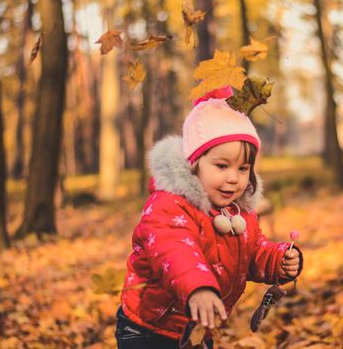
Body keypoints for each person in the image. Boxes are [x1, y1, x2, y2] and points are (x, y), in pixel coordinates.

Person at [115, 87, 303, 349]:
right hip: (149, 328)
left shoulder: (241, 213)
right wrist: (199, 287)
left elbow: (253, 252)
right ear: (194, 163)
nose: (233, 178)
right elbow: (174, 250)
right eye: (222, 166)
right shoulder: (169, 205)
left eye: (243, 168)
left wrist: (277, 260)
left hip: (200, 325)